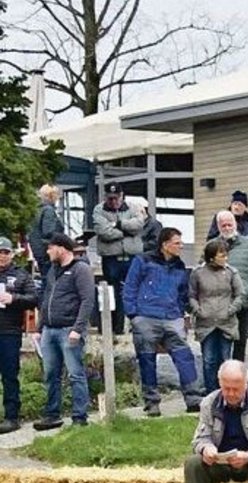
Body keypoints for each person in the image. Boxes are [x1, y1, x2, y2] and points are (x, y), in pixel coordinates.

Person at [123, 227, 204, 416]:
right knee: (147, 360)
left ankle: (193, 399)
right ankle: (152, 403)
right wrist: (133, 315)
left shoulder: (180, 267)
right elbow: (130, 287)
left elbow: (183, 293)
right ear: (165, 245)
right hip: (145, 317)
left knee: (185, 356)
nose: (181, 246)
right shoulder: (142, 261)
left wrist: (183, 312)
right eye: (177, 243)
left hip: (172, 317)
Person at [34, 233, 94, 430]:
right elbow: (46, 300)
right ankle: (52, 414)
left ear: (61, 248)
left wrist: (78, 329)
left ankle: (79, 416)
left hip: (69, 329)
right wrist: (39, 327)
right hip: (49, 330)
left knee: (75, 374)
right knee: (51, 374)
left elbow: (87, 300)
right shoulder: (52, 270)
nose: (48, 251)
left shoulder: (81, 269)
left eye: (50, 248)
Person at [190, 240, 244, 395]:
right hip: (206, 323)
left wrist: (231, 310)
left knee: (225, 360)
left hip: (226, 322)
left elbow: (240, 295)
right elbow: (191, 295)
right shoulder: (197, 273)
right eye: (222, 255)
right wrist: (197, 310)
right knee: (208, 360)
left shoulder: (232, 273)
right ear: (212, 256)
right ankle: (210, 392)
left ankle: (226, 391)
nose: (225, 258)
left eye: (226, 255)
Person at [212, 210, 248, 362]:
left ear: (235, 224)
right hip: (219, 304)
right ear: (218, 226)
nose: (227, 228)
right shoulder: (212, 246)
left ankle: (238, 378)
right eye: (224, 225)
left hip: (243, 303)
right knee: (220, 343)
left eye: (230, 224)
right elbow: (203, 272)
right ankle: (221, 378)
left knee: (240, 342)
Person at [91, 182, 144, 335]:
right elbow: (104, 232)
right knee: (112, 292)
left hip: (132, 257)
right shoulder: (99, 210)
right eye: (110, 198)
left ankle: (132, 326)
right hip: (111, 259)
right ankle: (114, 327)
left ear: (122, 196)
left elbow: (139, 225)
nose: (113, 202)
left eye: (116, 198)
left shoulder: (133, 207)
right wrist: (127, 232)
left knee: (132, 290)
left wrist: (118, 224)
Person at [0, 238, 38, 433]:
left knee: (9, 375)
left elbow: (33, 298)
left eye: (5, 252)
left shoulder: (21, 275)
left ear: (12, 254)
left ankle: (11, 417)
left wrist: (13, 298)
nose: (2, 256)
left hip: (9, 331)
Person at [28, 184, 62, 267]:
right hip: (47, 250)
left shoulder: (37, 210)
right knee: (50, 275)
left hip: (37, 248)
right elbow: (48, 232)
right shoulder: (48, 210)